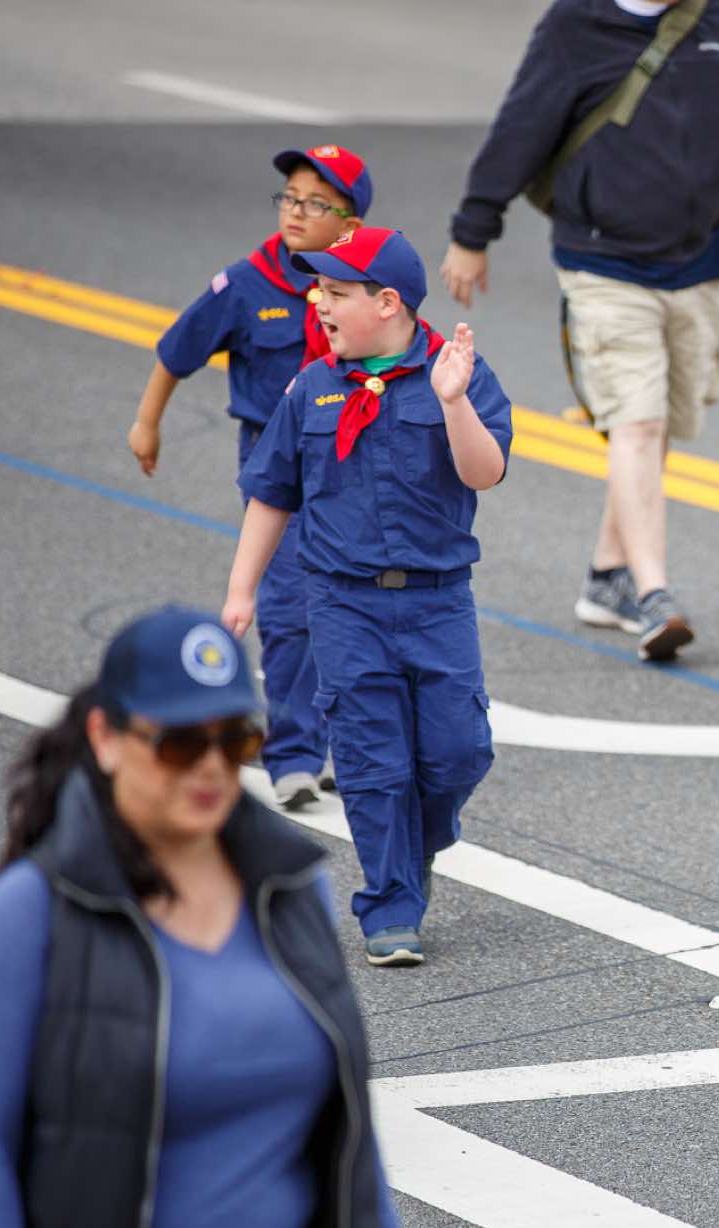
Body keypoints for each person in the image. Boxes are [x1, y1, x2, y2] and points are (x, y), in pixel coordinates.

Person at [0, 606, 457, 1228]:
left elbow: (337, 1117)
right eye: (181, 743)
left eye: (235, 740)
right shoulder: (36, 909)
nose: (211, 766)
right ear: (106, 739)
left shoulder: (291, 888)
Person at [441, 0, 719, 661]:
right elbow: (522, 126)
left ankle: (607, 575)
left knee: (659, 424)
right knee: (637, 423)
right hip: (605, 260)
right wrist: (473, 231)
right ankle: (654, 593)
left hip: (704, 257)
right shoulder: (576, 23)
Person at [225, 227, 511, 968]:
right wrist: (241, 589)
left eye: (336, 292)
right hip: (343, 604)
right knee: (370, 759)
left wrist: (453, 402)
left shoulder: (457, 372)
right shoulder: (311, 388)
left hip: (437, 600)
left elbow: (485, 472)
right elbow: (271, 493)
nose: (317, 303)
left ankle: (418, 843)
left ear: (387, 303)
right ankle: (390, 904)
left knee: (459, 750)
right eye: (317, 290)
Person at [129, 144, 373, 811]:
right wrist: (148, 422)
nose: (296, 211)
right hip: (277, 464)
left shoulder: (367, 288)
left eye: (316, 203)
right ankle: (294, 755)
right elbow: (177, 350)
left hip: (354, 462)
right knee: (290, 607)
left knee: (354, 605)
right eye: (290, 198)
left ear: (349, 225)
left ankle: (346, 744)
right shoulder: (245, 283)